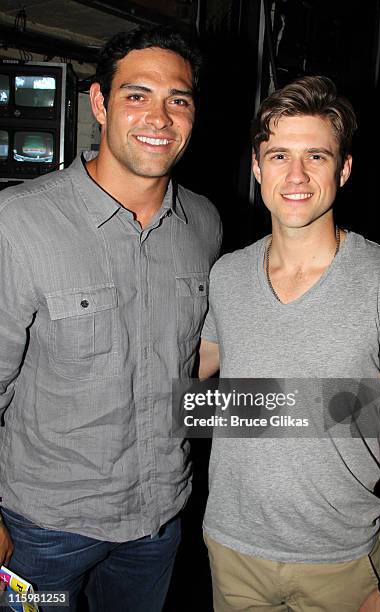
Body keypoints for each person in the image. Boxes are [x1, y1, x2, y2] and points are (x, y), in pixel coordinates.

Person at [0, 25, 221, 611]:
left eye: (179, 99)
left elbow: (196, 362)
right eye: (136, 95)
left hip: (157, 522)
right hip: (40, 532)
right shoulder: (17, 223)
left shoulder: (204, 223)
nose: (159, 116)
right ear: (99, 103)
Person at [199, 76, 380, 611]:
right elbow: (193, 375)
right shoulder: (227, 276)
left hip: (342, 563)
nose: (295, 175)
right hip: (232, 552)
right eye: (278, 155)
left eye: (316, 156)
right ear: (257, 168)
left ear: (343, 169)